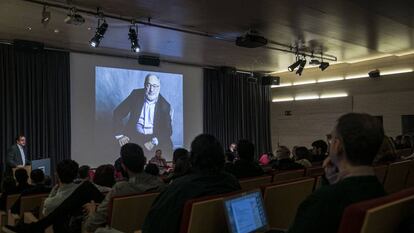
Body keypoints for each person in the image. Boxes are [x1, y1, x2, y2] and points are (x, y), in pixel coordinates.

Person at [287, 113, 386, 233]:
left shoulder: (322, 201)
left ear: (337, 145)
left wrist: (328, 190)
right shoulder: (380, 191)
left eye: (331, 138)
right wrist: (333, 182)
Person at [142, 134, 241, 233]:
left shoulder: (178, 189)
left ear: (192, 158)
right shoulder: (232, 182)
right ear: (222, 157)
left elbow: (152, 226)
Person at [84, 143, 166, 233]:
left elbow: (90, 225)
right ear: (144, 161)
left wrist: (91, 212)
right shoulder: (160, 184)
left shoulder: (120, 188)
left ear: (123, 166)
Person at [113, 74, 173, 157]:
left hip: (154, 136)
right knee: (118, 150)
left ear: (159, 87)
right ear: (144, 85)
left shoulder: (165, 105)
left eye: (155, 86)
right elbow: (118, 112)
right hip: (134, 134)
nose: (151, 90)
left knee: (167, 149)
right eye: (149, 85)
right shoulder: (136, 95)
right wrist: (120, 135)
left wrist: (154, 141)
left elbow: (168, 130)